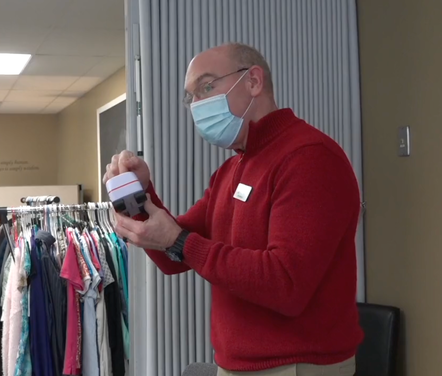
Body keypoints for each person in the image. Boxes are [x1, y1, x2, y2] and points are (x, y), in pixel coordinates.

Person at [104, 42, 363, 376]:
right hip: (238, 366)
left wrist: (179, 241)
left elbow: (286, 285)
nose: (197, 105)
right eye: (191, 97)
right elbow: (174, 254)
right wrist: (138, 196)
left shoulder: (310, 158)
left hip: (298, 366)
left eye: (206, 87)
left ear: (253, 81)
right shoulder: (231, 170)